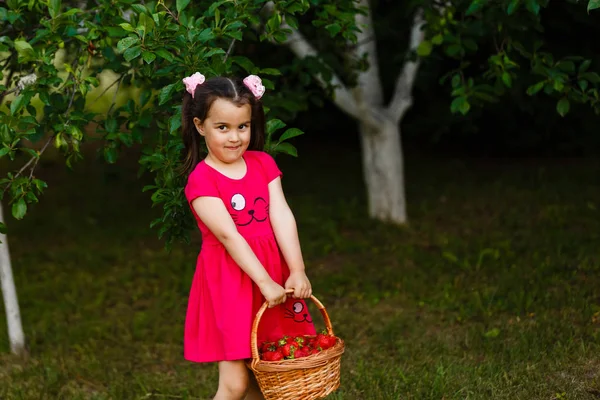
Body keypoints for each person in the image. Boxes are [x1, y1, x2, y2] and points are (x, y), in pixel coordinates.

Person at [180, 72, 316, 400]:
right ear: (200, 126)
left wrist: (296, 269)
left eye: (242, 126)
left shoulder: (263, 164)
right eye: (222, 127)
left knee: (265, 375)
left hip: (273, 274)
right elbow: (230, 237)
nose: (235, 137)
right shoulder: (202, 180)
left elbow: (281, 215)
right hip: (233, 282)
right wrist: (263, 281)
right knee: (235, 383)